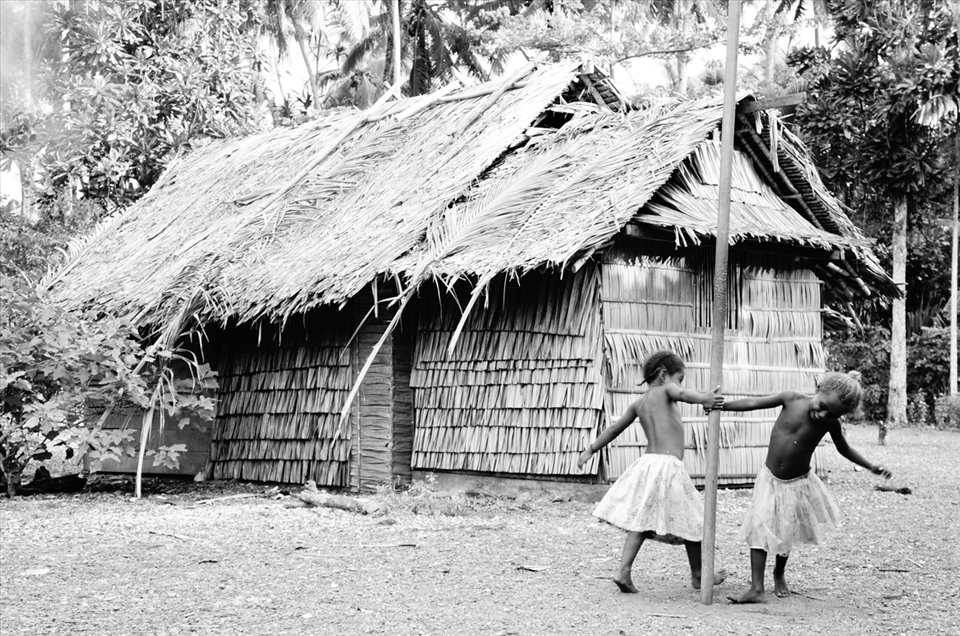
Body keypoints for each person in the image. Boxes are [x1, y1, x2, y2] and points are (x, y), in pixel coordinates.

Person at [719, 371, 893, 604]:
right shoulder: (790, 399)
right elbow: (753, 403)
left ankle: (779, 573)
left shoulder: (831, 423)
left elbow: (844, 449)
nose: (822, 415)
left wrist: (871, 466)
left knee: (786, 532)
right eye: (822, 406)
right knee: (759, 529)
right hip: (770, 480)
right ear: (820, 388)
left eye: (831, 414)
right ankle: (756, 588)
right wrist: (723, 405)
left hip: (797, 484)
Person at [578, 350, 725, 594]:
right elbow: (683, 394)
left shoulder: (639, 403)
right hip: (667, 466)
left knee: (643, 521)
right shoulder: (668, 390)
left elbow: (614, 428)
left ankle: (623, 571)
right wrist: (704, 398)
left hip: (647, 463)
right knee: (696, 520)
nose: (680, 385)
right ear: (664, 375)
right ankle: (699, 575)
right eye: (680, 378)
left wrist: (590, 449)